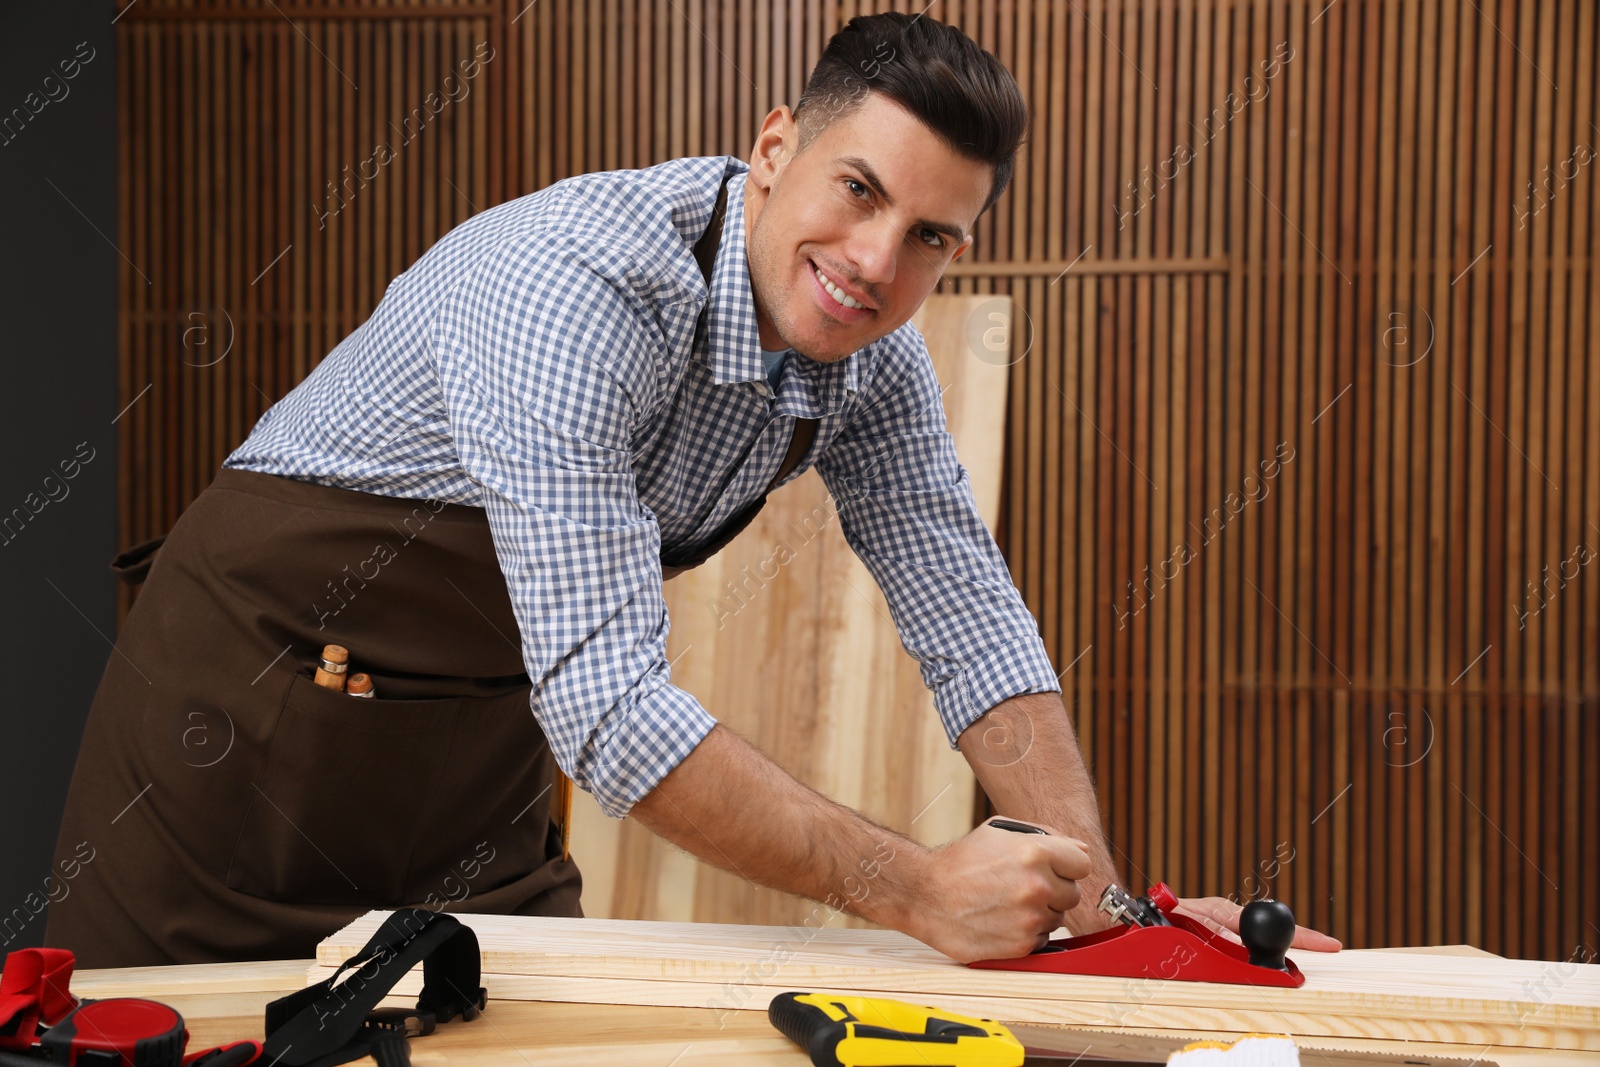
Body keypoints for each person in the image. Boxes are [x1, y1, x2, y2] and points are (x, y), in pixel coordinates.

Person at [46, 12, 1339, 967]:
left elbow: (970, 613)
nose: (877, 267)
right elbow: (611, 707)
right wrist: (916, 888)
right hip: (248, 734)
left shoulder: (867, 363)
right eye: (860, 191)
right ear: (776, 144)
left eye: (931, 236)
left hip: (470, 758)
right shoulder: (573, 287)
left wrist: (1104, 912)